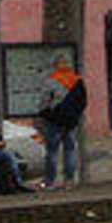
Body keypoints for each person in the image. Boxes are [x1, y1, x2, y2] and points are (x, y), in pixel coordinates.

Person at [36, 57, 87, 190]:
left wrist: (44, 115)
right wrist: (75, 116)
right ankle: (69, 180)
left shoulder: (51, 81)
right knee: (70, 149)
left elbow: (44, 101)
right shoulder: (77, 80)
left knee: (52, 151)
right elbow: (83, 101)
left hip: (55, 121)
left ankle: (49, 181)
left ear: (56, 65)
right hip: (71, 122)